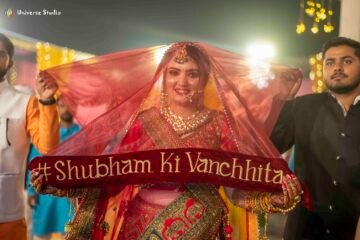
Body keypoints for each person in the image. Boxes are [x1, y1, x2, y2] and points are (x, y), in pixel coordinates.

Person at [32, 42, 303, 240]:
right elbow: (111, 177)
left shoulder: (222, 123)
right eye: (174, 72)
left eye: (192, 73)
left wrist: (270, 201)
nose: (182, 81)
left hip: (203, 228)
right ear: (163, 76)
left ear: (205, 79)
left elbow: (234, 188)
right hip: (140, 226)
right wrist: (61, 182)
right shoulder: (141, 121)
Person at [271, 36, 360, 239]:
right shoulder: (303, 107)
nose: (337, 67)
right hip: (306, 229)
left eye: (346, 61)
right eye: (330, 62)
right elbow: (272, 145)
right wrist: (283, 101)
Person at [0, 33, 59, 240]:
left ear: (10, 62)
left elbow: (49, 148)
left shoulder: (26, 103)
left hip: (7, 216)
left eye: (0, 54)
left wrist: (47, 101)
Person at [27, 98, 80, 240]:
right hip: (47, 195)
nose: (66, 109)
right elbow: (35, 161)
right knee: (41, 233)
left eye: (69, 105)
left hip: (70, 197)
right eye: (62, 105)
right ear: (56, 107)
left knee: (70, 233)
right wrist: (31, 191)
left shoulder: (82, 134)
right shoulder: (48, 133)